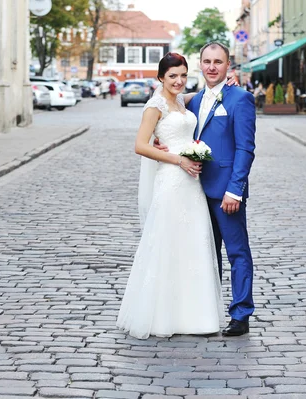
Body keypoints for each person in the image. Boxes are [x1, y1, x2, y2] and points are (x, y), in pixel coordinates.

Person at [116, 53, 225, 340]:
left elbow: (203, 95)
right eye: (172, 76)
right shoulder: (155, 106)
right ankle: (164, 316)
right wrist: (179, 160)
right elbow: (140, 145)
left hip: (192, 184)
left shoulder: (181, 101)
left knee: (193, 243)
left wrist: (227, 83)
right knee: (168, 243)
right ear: (160, 78)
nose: (178, 81)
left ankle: (196, 316)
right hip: (172, 180)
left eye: (182, 75)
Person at [156, 42, 256, 337]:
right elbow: (165, 114)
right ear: (201, 64)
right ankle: (207, 311)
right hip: (194, 190)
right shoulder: (194, 101)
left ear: (228, 66)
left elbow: (245, 149)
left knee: (237, 253)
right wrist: (158, 144)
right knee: (205, 254)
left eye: (219, 62)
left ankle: (241, 314)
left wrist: (235, 190)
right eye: (207, 61)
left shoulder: (241, 99)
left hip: (226, 193)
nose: (212, 67)